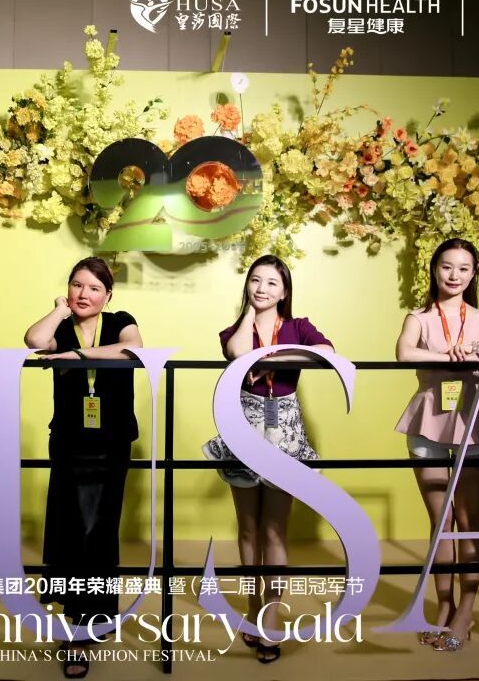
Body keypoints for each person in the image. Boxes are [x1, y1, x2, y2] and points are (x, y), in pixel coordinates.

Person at [394, 237, 479, 652]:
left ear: (474, 274)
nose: (454, 275)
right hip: (427, 426)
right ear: (434, 270)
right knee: (441, 524)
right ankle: (443, 607)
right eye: (447, 267)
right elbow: (404, 354)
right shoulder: (418, 317)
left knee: (470, 521)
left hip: (472, 425)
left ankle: (465, 611)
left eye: (463, 268)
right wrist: (449, 356)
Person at [202, 254, 333, 664]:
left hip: (285, 430)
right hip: (243, 426)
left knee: (275, 529)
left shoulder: (298, 327)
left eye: (272, 283)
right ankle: (253, 606)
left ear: (285, 291)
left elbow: (326, 352)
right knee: (248, 529)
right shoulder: (235, 328)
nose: (262, 288)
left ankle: (272, 615)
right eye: (255, 281)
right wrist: (249, 315)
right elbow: (237, 353)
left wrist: (272, 359)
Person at [23, 257, 142, 679]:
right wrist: (59, 310)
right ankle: (77, 625)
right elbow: (33, 339)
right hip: (70, 441)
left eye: (93, 287)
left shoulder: (120, 321)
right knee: (72, 528)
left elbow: (132, 350)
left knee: (101, 529)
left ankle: (96, 615)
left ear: (108, 295)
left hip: (112, 443)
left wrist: (75, 354)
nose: (83, 294)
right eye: (76, 285)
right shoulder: (61, 326)